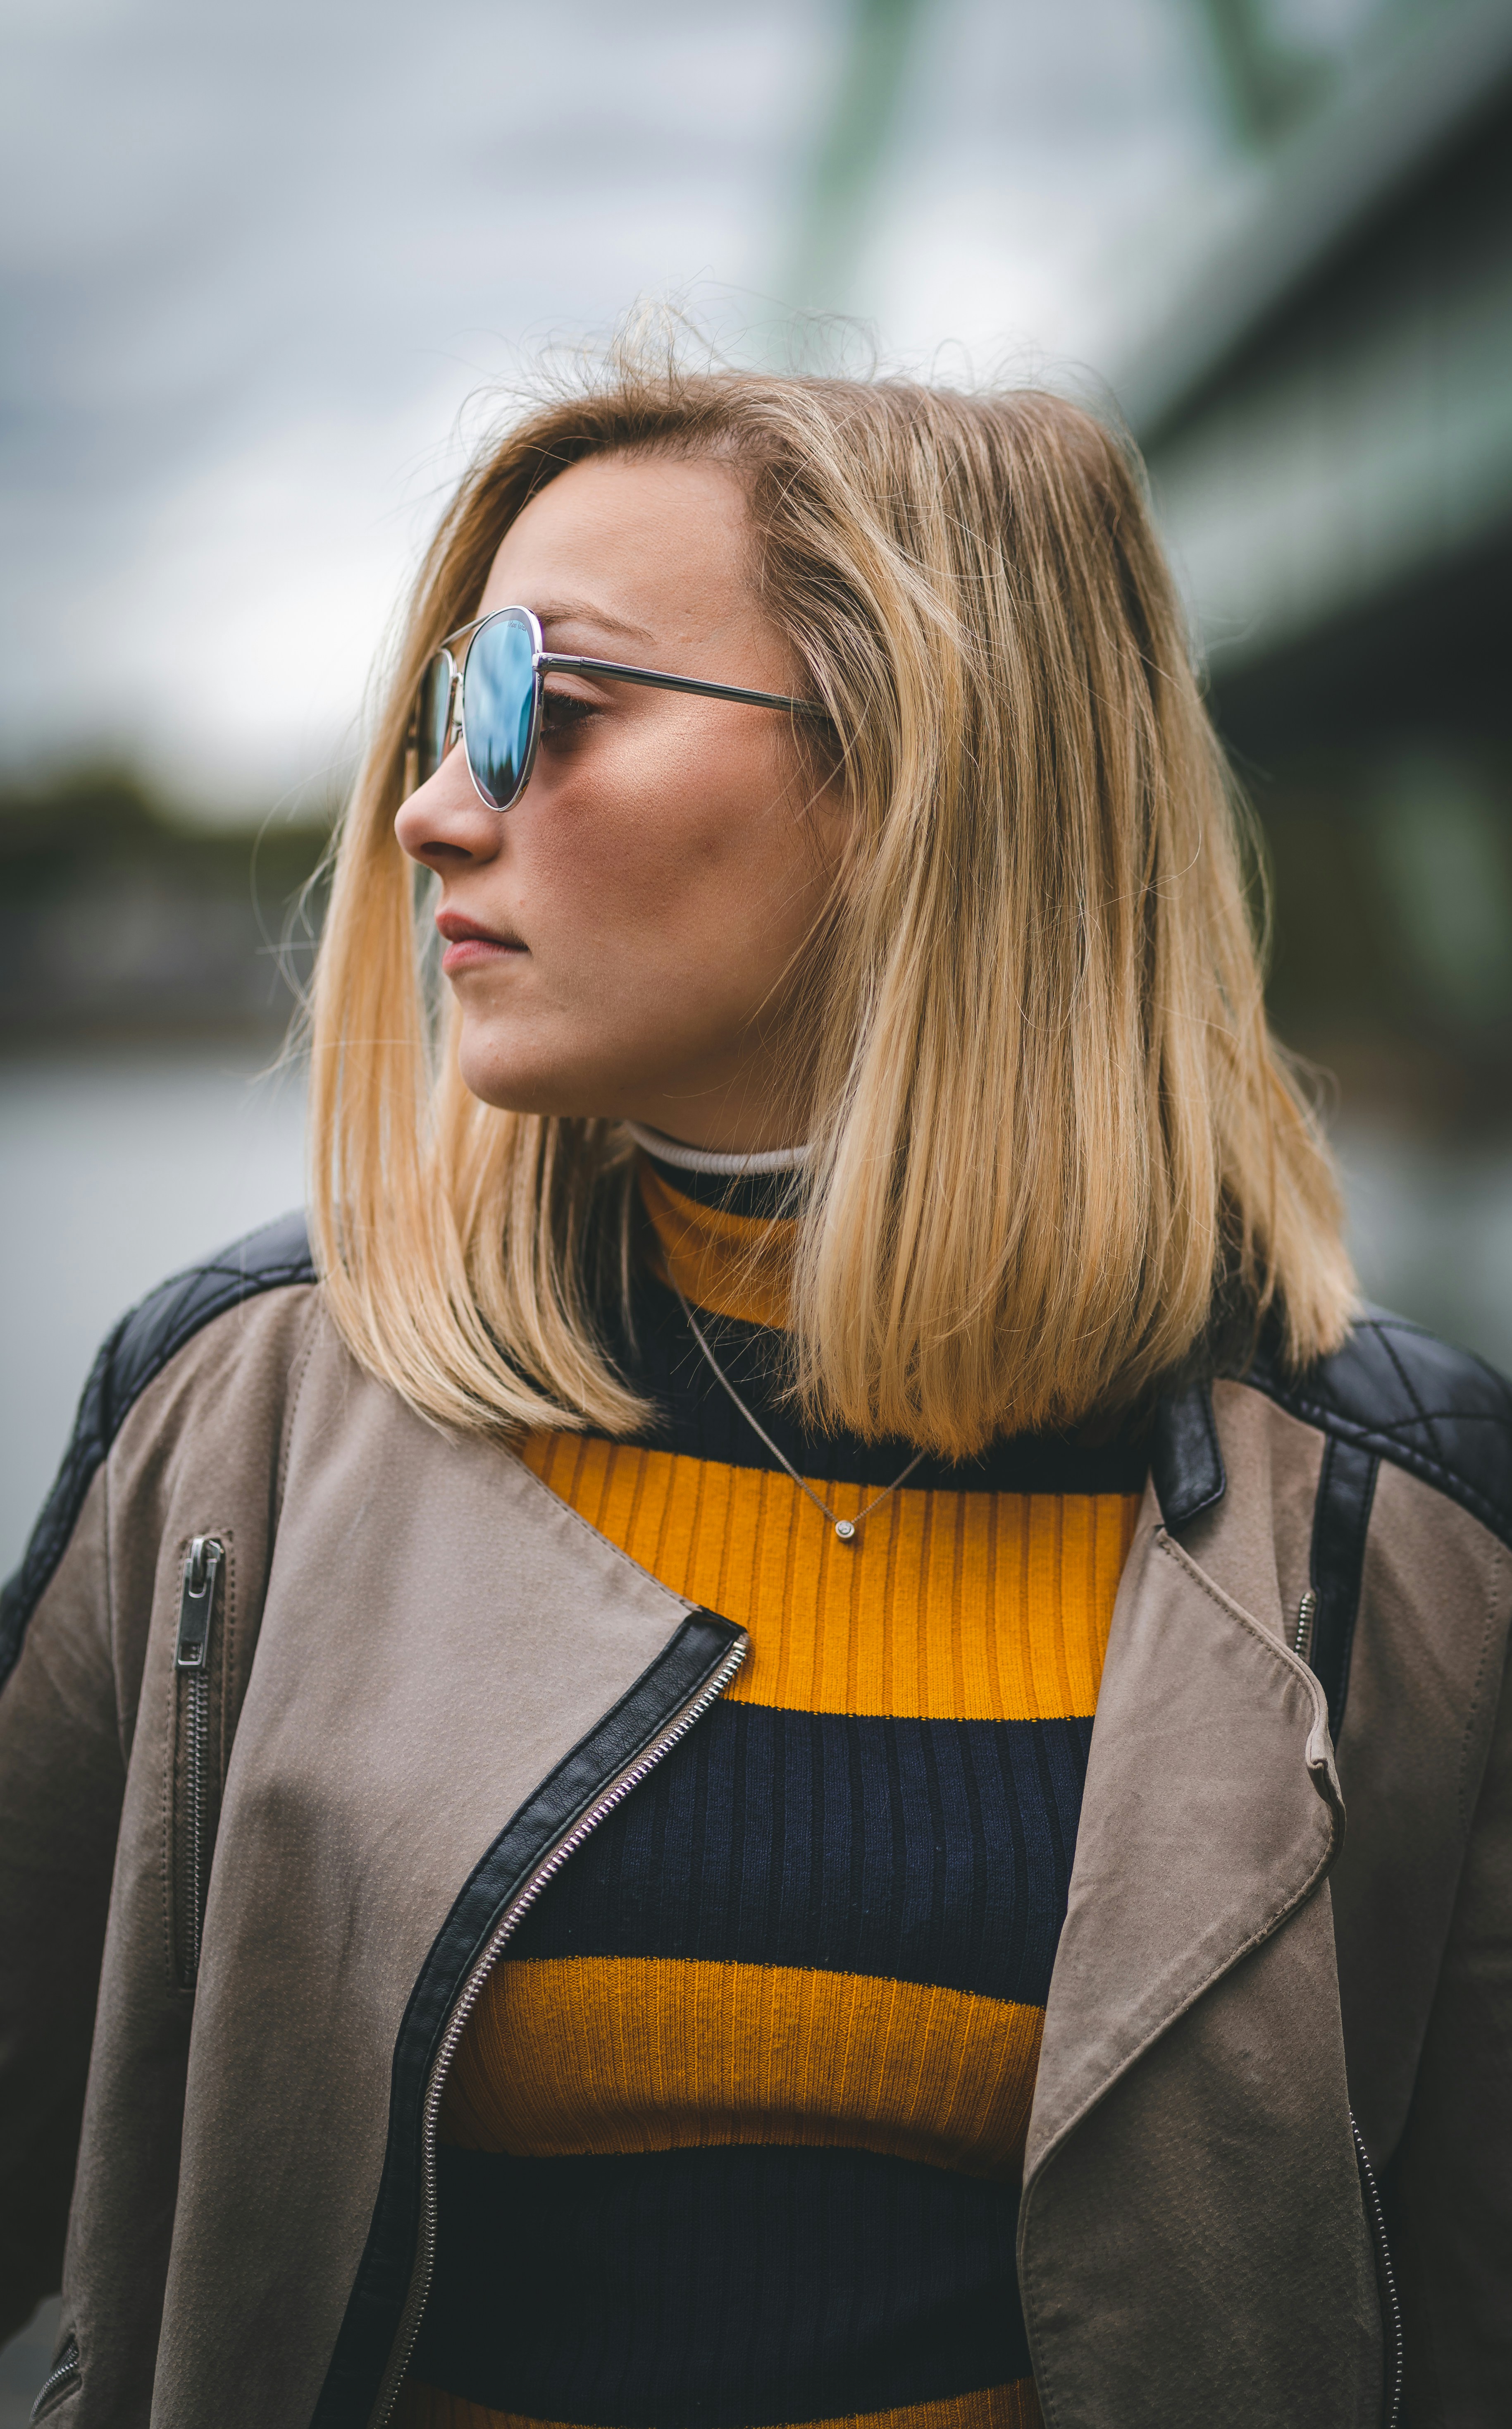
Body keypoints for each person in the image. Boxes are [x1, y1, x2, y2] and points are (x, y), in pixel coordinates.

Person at [2, 350, 1509, 2429]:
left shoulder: (1401, 1517)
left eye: (551, 700)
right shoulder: (237, 1414)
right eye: (455, 704)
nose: (437, 799)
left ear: (917, 768)